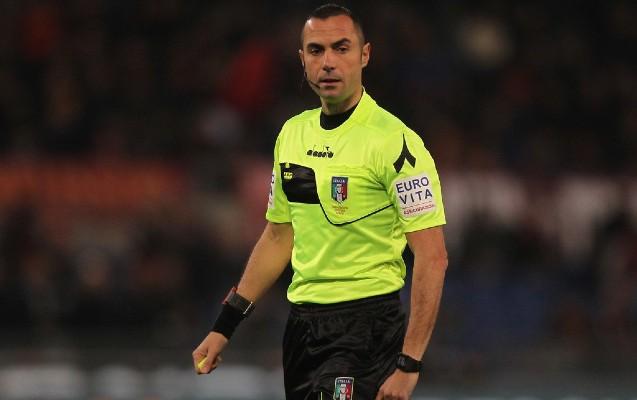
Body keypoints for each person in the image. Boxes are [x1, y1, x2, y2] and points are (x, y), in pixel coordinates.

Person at [192, 4, 448, 399]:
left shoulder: (395, 143)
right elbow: (279, 237)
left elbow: (432, 256)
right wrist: (224, 326)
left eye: (341, 48)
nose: (328, 62)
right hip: (302, 330)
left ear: (364, 55)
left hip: (367, 328)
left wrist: (409, 363)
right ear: (302, 59)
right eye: (316, 50)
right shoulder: (292, 135)